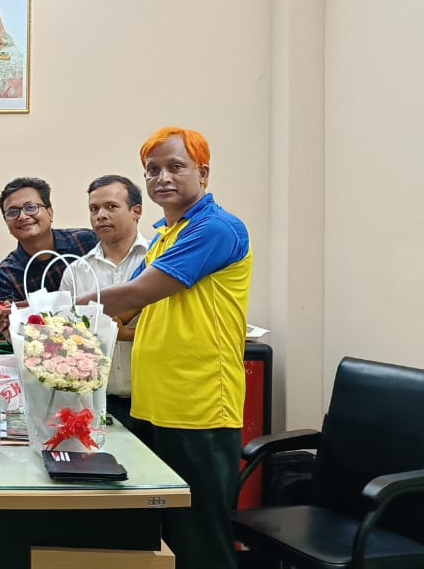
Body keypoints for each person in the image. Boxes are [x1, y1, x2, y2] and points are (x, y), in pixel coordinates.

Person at [76, 127, 251, 569]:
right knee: (165, 536)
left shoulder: (215, 228)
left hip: (198, 407)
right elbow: (133, 311)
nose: (162, 178)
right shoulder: (166, 234)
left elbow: (138, 293)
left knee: (201, 539)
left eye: (176, 167)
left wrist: (55, 310)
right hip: (156, 403)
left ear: (203, 173)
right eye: (152, 170)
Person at [58, 175, 151, 442]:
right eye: (94, 209)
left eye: (111, 206)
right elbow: (64, 340)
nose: (100, 215)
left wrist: (125, 333)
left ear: (136, 211)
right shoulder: (76, 272)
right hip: (96, 404)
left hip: (153, 402)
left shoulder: (159, 262)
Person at [0, 176, 98, 303]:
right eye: (12, 212)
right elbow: (12, 313)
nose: (22, 217)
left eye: (30, 207)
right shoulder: (7, 273)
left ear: (50, 212)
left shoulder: (86, 240)